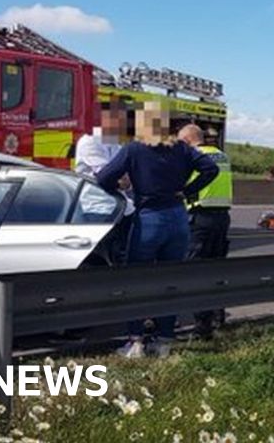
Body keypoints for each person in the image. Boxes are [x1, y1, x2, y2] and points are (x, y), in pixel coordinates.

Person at [97, 130, 219, 359]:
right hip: (178, 218)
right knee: (170, 281)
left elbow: (104, 178)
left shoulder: (134, 149)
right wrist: (186, 191)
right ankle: (164, 342)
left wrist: (121, 188)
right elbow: (211, 169)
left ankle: (136, 343)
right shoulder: (182, 149)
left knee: (137, 279)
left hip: (150, 218)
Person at [178, 124, 232, 339]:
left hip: (200, 219)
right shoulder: (222, 156)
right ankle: (218, 314)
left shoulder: (192, 157)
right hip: (222, 218)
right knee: (216, 268)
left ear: (189, 139)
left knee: (196, 270)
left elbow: (181, 185)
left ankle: (202, 325)